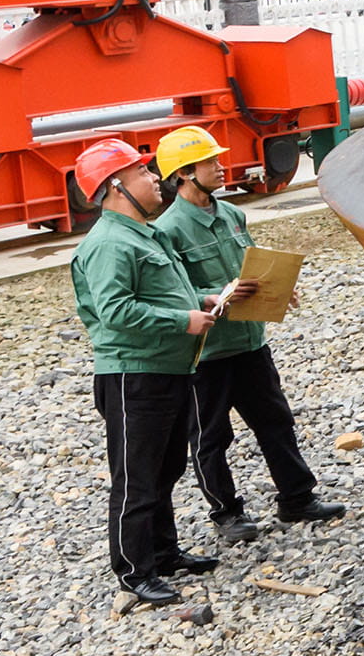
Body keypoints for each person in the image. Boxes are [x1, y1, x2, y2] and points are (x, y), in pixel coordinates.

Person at [70, 138, 252, 606]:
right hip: (134, 376)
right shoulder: (109, 243)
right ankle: (134, 571)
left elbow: (163, 294)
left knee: (166, 468)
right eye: (142, 172)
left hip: (168, 370)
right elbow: (115, 311)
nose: (155, 179)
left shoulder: (143, 235)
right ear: (116, 186)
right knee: (137, 477)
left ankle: (165, 554)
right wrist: (181, 321)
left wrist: (203, 300)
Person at [152, 126, 345, 544]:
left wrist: (278, 288)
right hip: (208, 354)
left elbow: (253, 266)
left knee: (276, 422)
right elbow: (171, 293)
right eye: (210, 162)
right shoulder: (167, 231)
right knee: (210, 437)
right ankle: (226, 514)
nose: (221, 167)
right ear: (183, 173)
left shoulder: (231, 215)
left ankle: (297, 498)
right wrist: (214, 296)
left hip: (250, 342)